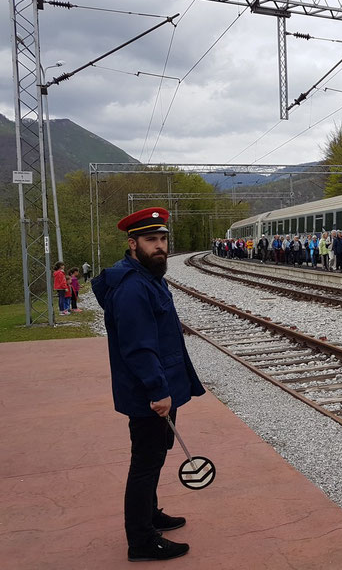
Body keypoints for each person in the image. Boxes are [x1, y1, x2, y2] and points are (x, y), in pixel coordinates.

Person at [91, 207, 205, 562]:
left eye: (162, 239)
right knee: (146, 462)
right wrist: (158, 391)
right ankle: (141, 540)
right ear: (133, 243)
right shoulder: (132, 287)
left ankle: (150, 514)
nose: (160, 246)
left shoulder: (149, 276)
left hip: (160, 387)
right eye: (151, 240)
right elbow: (138, 348)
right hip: (150, 393)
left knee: (154, 458)